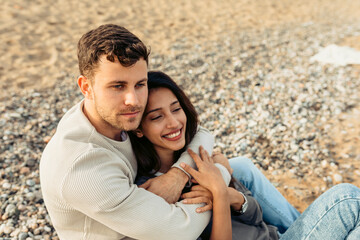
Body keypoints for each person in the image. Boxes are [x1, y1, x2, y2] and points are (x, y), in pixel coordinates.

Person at [39, 24, 296, 240]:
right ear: (86, 86)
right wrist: (218, 181)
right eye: (117, 86)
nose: (133, 100)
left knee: (241, 167)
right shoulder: (82, 168)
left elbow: (199, 131)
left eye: (140, 84)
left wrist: (178, 174)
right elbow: (179, 230)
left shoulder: (113, 115)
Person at [130, 70, 360, 240]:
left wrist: (235, 199)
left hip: (275, 236)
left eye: (176, 108)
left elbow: (255, 214)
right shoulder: (155, 191)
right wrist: (219, 194)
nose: (173, 122)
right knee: (348, 197)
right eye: (156, 117)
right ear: (138, 128)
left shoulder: (199, 158)